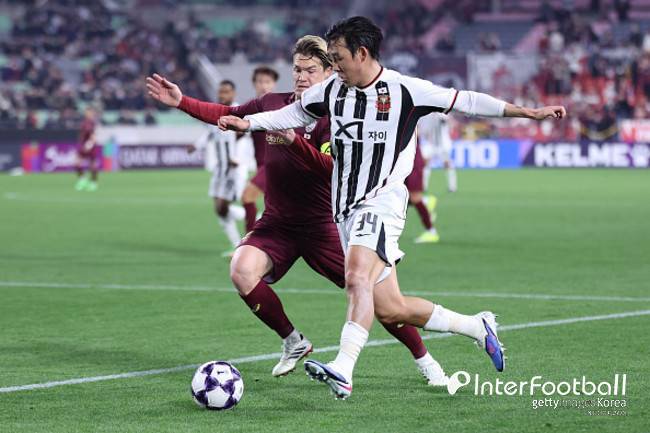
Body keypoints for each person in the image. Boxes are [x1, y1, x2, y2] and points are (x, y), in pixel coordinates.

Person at [218, 16, 566, 400]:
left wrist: (528, 113)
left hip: (382, 202)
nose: (334, 66)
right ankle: (476, 326)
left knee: (356, 277)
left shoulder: (406, 90)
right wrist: (248, 124)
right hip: (345, 209)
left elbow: (466, 100)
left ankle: (343, 368)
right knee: (391, 308)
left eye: (338, 57)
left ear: (361, 53)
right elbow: (292, 115)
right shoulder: (333, 91)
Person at [146, 36, 449, 387]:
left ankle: (426, 361)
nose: (302, 76)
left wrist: (294, 142)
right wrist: (181, 101)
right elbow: (230, 115)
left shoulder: (339, 115)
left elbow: (335, 169)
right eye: (297, 69)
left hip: (325, 226)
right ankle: (293, 341)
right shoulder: (273, 105)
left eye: (311, 70)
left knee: (383, 303)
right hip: (278, 223)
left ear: (330, 73)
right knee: (242, 270)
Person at [187, 80, 249, 256]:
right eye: (220, 92)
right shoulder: (215, 112)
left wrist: (237, 158)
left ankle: (255, 217)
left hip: (234, 169)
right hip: (220, 168)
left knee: (223, 207)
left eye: (226, 92)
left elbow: (244, 137)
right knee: (219, 209)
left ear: (233, 93)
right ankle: (236, 245)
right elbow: (209, 132)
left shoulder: (239, 113)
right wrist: (196, 146)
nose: (222, 95)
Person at [241, 66, 279, 232]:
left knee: (247, 196)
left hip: (274, 165)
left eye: (267, 82)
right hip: (261, 164)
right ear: (254, 84)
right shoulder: (250, 108)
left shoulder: (281, 108)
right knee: (275, 209)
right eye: (260, 82)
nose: (264, 86)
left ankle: (249, 240)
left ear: (274, 84)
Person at [404, 135, 440, 243]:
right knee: (402, 197)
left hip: (412, 163)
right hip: (404, 162)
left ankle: (431, 231)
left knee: (414, 198)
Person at [74, 108, 101, 192]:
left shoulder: (91, 123)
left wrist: (89, 145)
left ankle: (93, 183)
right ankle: (82, 180)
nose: (88, 114)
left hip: (89, 146)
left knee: (92, 164)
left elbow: (93, 136)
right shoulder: (85, 122)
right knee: (77, 163)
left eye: (90, 113)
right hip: (83, 146)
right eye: (87, 112)